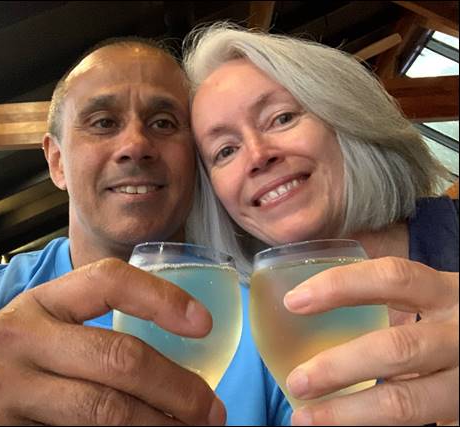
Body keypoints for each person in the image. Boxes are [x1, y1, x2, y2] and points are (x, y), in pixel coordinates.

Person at [0, 37, 292, 425]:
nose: (136, 145)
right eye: (103, 123)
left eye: (164, 123)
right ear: (57, 162)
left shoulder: (266, 321)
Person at [184, 22, 459, 426]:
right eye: (225, 151)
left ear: (346, 116)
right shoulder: (239, 342)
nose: (257, 155)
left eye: (281, 118)